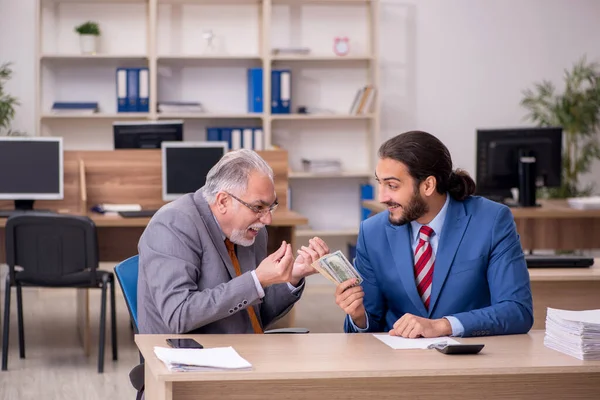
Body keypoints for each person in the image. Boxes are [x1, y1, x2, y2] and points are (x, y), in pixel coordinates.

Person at [336, 130, 533, 338]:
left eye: (392, 185)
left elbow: (517, 311)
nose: (382, 197)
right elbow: (369, 325)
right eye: (380, 183)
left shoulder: (491, 221)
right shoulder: (372, 232)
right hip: (397, 362)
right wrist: (359, 316)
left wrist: (443, 326)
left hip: (470, 359)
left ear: (428, 185)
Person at [137, 149, 329, 335]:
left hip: (244, 353)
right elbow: (178, 315)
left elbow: (255, 317)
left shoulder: (253, 232)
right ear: (222, 201)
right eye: (258, 207)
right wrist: (257, 279)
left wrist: (291, 277)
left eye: (271, 207)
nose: (267, 220)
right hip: (189, 359)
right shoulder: (173, 225)